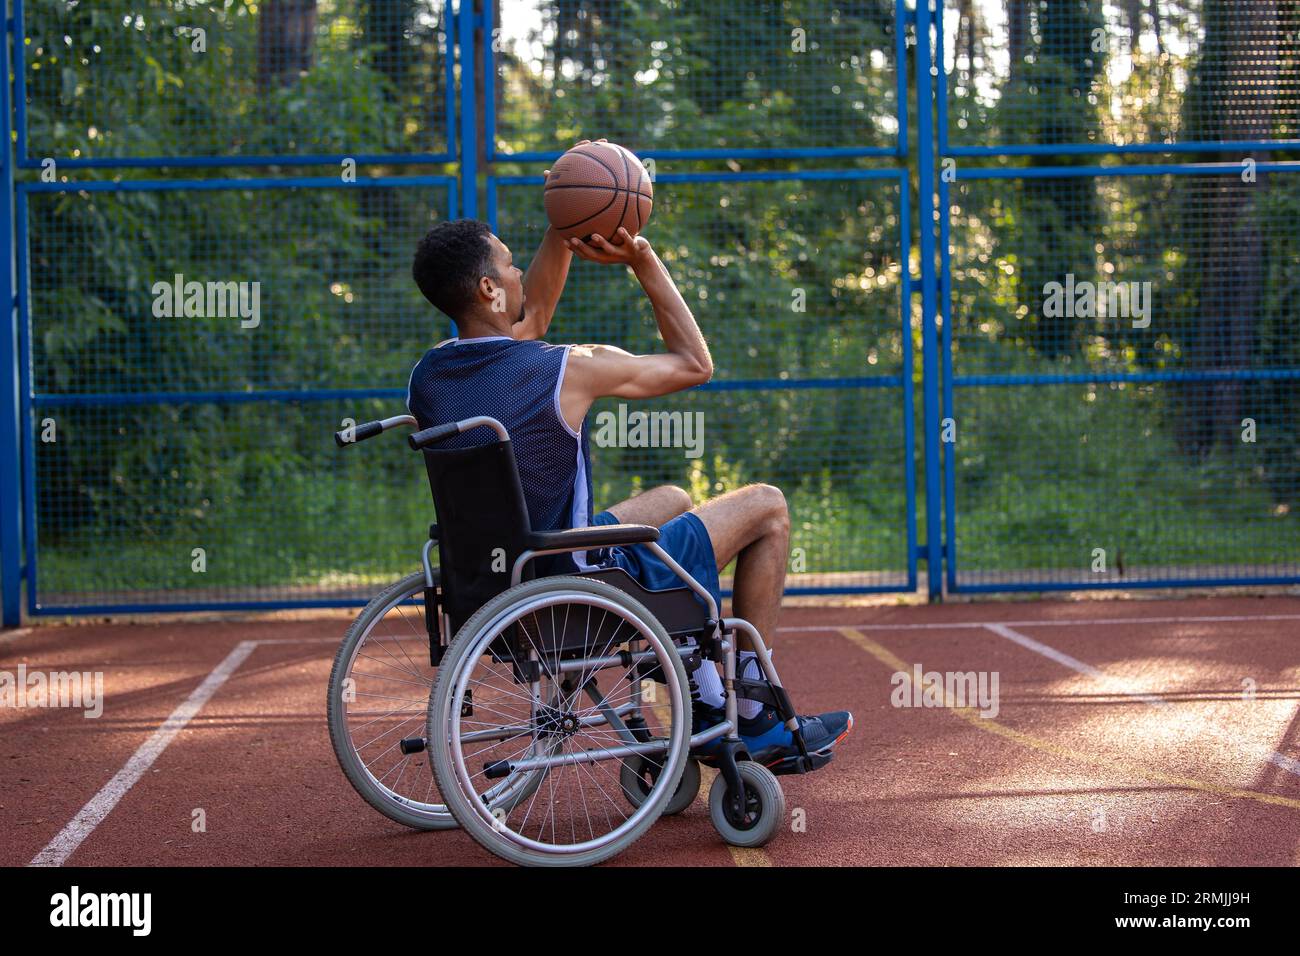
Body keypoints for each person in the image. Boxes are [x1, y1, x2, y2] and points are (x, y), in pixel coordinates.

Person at [406, 197, 851, 769]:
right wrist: (643, 259)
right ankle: (749, 699)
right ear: (491, 290)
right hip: (574, 587)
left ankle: (690, 666)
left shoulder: (429, 376)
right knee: (767, 505)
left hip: (491, 588)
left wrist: (565, 224)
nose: (520, 273)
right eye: (511, 264)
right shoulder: (569, 367)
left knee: (673, 498)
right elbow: (695, 364)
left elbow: (528, 321)